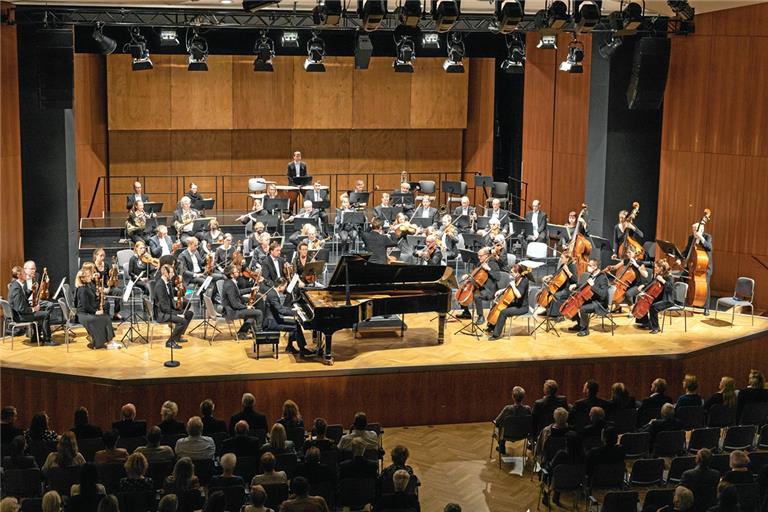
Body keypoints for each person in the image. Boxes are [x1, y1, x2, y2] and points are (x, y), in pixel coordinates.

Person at [264, 277, 311, 356]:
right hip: (271, 322)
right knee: (295, 327)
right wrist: (295, 312)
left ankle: (290, 347)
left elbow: (281, 307)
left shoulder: (273, 292)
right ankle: (302, 349)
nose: (285, 288)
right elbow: (280, 311)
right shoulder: (272, 295)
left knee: (295, 323)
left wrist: (294, 309)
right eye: (285, 286)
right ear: (280, 286)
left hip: (275, 319)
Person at [8, 265, 53, 345]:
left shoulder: (16, 285)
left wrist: (31, 290)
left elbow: (22, 298)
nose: (26, 275)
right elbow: (20, 308)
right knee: (45, 314)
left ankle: (36, 337)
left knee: (41, 312)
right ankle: (47, 340)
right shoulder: (16, 288)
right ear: (19, 275)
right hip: (20, 316)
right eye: (24, 273)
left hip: (19, 314)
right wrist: (33, 309)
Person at [457, 247, 501, 325]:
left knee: (477, 296)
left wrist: (489, 269)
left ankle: (481, 316)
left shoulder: (493, 264)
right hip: (479, 286)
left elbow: (498, 277)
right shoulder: (479, 263)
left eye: (480, 256)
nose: (479, 257)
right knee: (463, 290)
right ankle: (466, 312)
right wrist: (468, 276)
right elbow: (475, 275)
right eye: (478, 256)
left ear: (487, 255)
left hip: (489, 289)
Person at [75, 268, 117, 350]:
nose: (90, 277)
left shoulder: (87, 286)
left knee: (105, 317)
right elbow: (85, 306)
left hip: (86, 313)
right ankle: (106, 342)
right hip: (83, 315)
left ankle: (109, 342)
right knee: (105, 318)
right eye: (88, 276)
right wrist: (95, 312)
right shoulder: (82, 289)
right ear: (82, 278)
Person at [153, 264, 193, 350]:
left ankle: (177, 336)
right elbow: (163, 307)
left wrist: (180, 289)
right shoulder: (160, 285)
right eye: (171, 272)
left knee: (189, 314)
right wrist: (177, 315)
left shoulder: (168, 283)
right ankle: (170, 341)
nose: (173, 274)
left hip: (168, 310)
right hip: (161, 313)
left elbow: (172, 296)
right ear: (165, 273)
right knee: (182, 321)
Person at [566, 259, 609, 337]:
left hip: (599, 303)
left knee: (583, 308)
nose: (587, 267)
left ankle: (585, 330)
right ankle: (579, 324)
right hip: (592, 299)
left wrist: (593, 286)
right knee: (575, 303)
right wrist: (576, 285)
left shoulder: (603, 278)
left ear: (595, 267)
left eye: (589, 265)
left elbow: (603, 295)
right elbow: (585, 284)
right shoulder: (591, 275)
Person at [486, 265, 529, 340]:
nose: (510, 273)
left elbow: (518, 295)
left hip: (522, 307)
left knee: (503, 312)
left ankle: (496, 335)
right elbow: (509, 289)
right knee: (497, 305)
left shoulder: (524, 281)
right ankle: (491, 326)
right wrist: (501, 290)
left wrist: (513, 286)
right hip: (515, 304)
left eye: (512, 272)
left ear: (518, 273)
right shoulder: (516, 279)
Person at [542, 431, 584, 507]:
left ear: (566, 443)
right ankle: (556, 496)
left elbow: (551, 466)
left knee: (547, 470)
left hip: (558, 482)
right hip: (575, 483)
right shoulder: (582, 457)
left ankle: (546, 493)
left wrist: (545, 463)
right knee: (563, 472)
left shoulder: (561, 454)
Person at [221, 265, 264, 340]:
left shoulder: (231, 282)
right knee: (259, 313)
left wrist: (251, 289)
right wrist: (246, 307)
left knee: (255, 306)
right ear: (231, 275)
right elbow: (234, 304)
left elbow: (238, 292)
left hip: (234, 308)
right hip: (232, 312)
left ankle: (242, 332)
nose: (238, 272)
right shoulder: (229, 285)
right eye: (236, 271)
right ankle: (259, 334)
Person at [682, 220, 713, 315]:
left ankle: (706, 308)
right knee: (682, 276)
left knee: (706, 285)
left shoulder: (707, 237)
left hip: (705, 267)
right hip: (693, 266)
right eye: (693, 230)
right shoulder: (691, 238)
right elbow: (687, 250)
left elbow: (709, 247)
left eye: (696, 230)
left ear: (701, 230)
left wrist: (701, 238)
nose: (694, 232)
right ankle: (688, 300)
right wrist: (680, 257)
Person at [637, 259, 674, 334]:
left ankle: (656, 328)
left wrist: (663, 280)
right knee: (644, 299)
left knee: (653, 307)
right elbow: (651, 283)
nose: (654, 269)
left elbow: (670, 288)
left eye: (656, 267)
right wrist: (644, 285)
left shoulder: (669, 276)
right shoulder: (658, 274)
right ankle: (646, 323)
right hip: (659, 297)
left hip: (667, 299)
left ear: (661, 268)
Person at [492, 386, 531, 454]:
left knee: (501, 427)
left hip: (506, 434)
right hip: (523, 434)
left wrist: (496, 423)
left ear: (513, 397)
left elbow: (497, 421)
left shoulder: (507, 409)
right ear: (523, 397)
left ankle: (502, 447)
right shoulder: (527, 409)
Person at [680, 448, 719, 512]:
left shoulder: (688, 474)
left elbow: (681, 492)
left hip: (693, 507)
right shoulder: (716, 474)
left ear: (697, 459)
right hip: (709, 506)